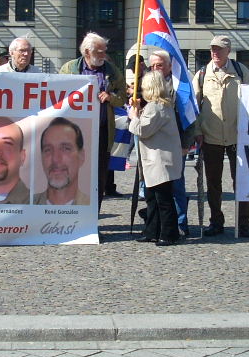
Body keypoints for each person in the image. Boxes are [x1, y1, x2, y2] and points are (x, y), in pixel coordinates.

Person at [192, 35, 249, 237]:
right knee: (213, 183)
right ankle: (216, 221)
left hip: (237, 135)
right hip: (211, 136)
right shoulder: (202, 74)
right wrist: (198, 131)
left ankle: (243, 222)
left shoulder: (241, 72)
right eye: (212, 49)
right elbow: (194, 106)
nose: (215, 53)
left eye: (219, 49)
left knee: (242, 182)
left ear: (228, 51)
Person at [60, 33, 126, 204]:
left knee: (98, 179)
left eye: (104, 51)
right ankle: (71, 220)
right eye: (99, 52)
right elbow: (57, 96)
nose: (104, 55)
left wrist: (111, 97)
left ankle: (93, 223)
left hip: (101, 133)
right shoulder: (69, 69)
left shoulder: (111, 70)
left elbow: (123, 96)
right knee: (72, 176)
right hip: (74, 134)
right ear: (87, 52)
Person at [129, 70, 183, 246]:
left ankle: (169, 233)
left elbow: (143, 130)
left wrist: (133, 117)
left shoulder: (156, 107)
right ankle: (152, 230)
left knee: (163, 200)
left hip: (160, 160)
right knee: (152, 198)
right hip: (156, 160)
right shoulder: (160, 105)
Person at [147, 50, 190, 237]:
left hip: (175, 144)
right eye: (153, 66)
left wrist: (186, 143)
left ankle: (179, 223)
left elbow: (189, 116)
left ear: (169, 66)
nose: (156, 69)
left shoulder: (180, 87)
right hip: (152, 148)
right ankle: (157, 226)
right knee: (153, 189)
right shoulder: (147, 84)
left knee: (176, 186)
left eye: (160, 65)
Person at [34, 117, 89, 205]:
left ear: (81, 156)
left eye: (65, 149)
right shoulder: (25, 205)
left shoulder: (90, 207)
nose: (56, 159)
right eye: (48, 150)